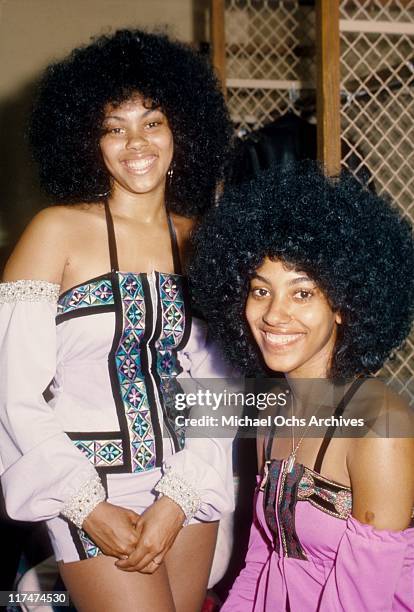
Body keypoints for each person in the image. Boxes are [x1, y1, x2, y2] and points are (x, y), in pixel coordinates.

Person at [0, 29, 235, 612]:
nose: (137, 142)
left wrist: (178, 497)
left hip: (185, 480)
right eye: (114, 126)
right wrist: (85, 506)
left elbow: (218, 387)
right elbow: (12, 394)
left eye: (152, 122)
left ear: (182, 129)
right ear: (89, 141)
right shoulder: (55, 232)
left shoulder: (204, 239)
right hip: (86, 485)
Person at [189, 162, 414, 610]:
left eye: (302, 293)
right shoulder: (272, 409)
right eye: (259, 290)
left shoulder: (380, 425)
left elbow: (362, 601)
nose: (274, 314)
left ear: (344, 306)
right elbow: (261, 557)